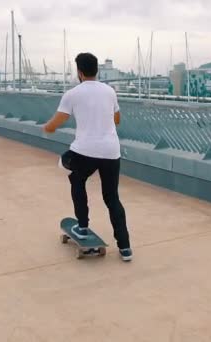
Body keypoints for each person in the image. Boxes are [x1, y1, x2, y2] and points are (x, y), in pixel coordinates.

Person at [43, 52, 132, 262]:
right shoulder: (110, 91)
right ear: (97, 71)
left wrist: (47, 128)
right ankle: (125, 248)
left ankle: (82, 226)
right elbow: (117, 119)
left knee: (76, 178)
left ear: (79, 72)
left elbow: (57, 122)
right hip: (111, 151)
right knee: (112, 198)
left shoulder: (73, 94)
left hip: (85, 151)